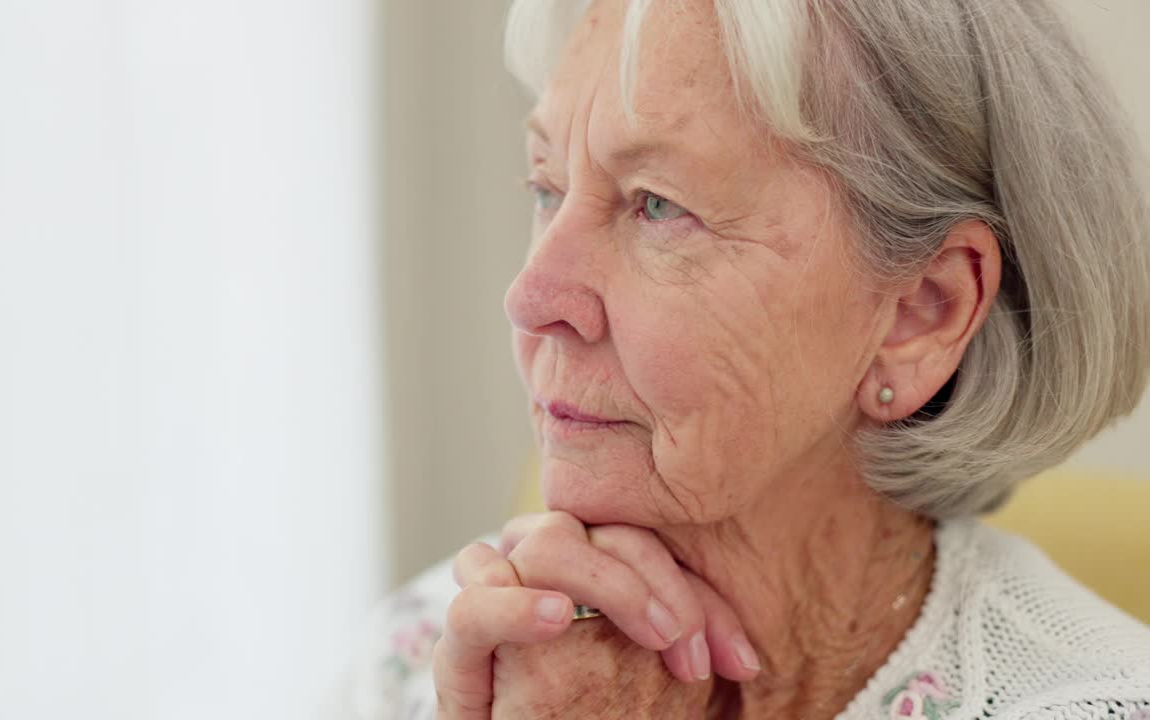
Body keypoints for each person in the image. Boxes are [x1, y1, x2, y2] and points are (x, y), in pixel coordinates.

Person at [329, 0, 1150, 717]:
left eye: (658, 206)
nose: (531, 297)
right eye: (546, 186)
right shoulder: (433, 652)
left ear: (921, 313)